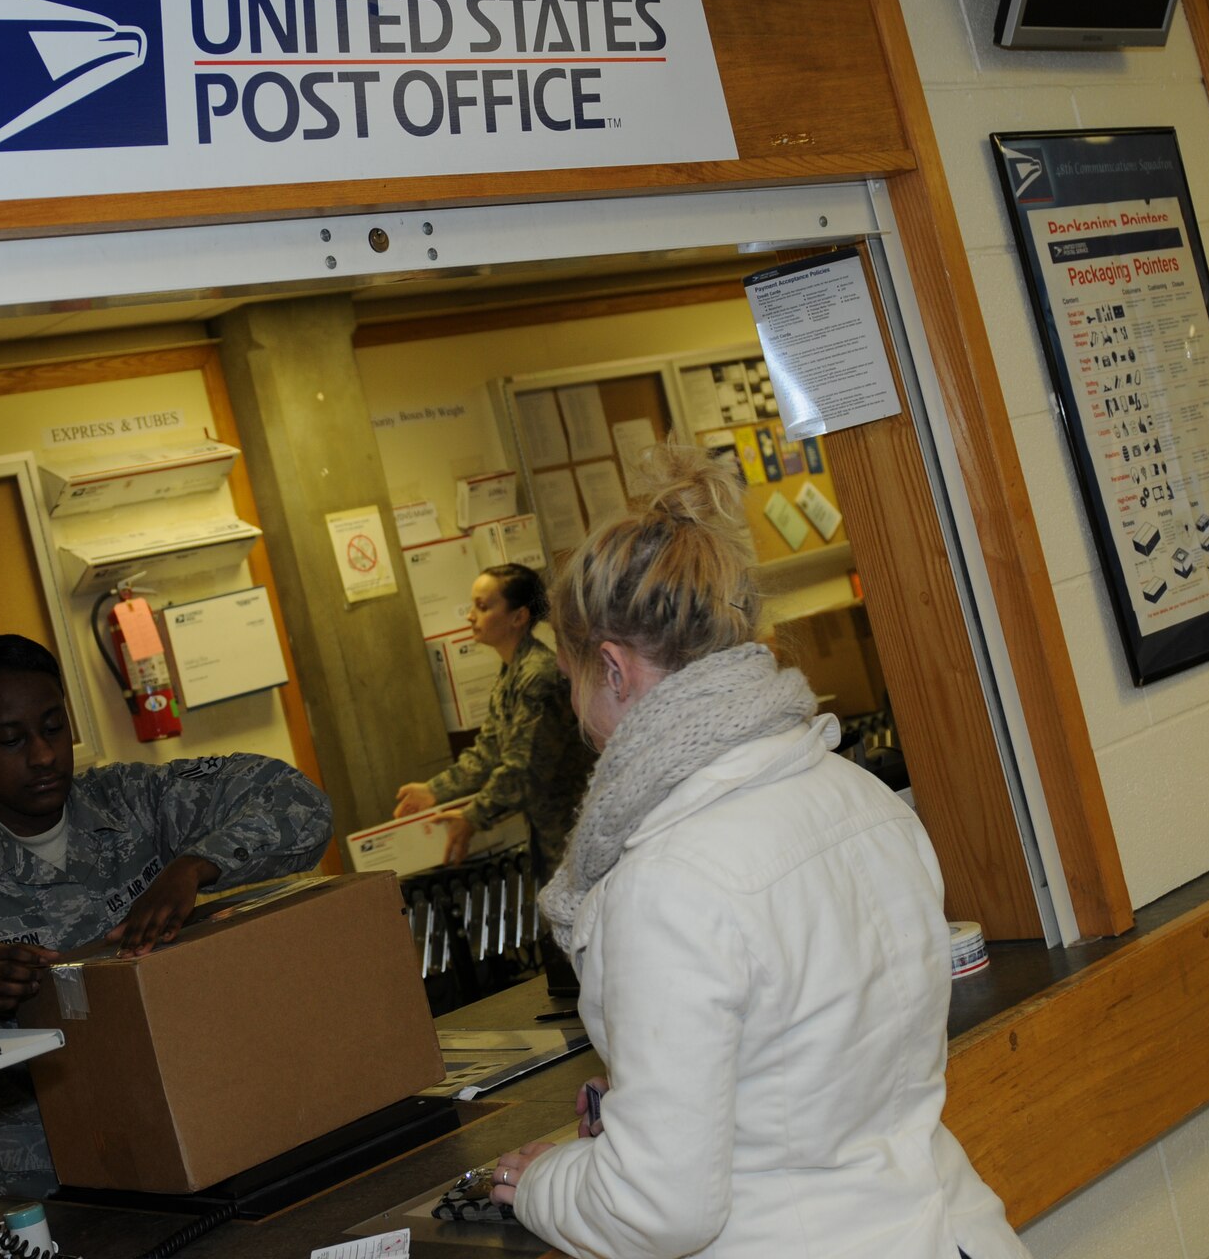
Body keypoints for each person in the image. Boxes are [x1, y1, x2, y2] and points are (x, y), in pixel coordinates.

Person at [487, 445, 1026, 1259]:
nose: (578, 710)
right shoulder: (865, 801)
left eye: (573, 681)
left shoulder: (663, 882)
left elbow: (657, 1207)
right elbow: (819, 1058)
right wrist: (651, 1104)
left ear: (613, 669)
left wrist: (540, 1183)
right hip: (953, 1231)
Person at [0, 633, 333, 1200]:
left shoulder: (135, 801)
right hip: (42, 1180)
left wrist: (196, 866)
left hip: (194, 1132)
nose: (43, 755)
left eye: (54, 728)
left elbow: (299, 800)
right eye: (11, 740)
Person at [392, 563, 594, 996]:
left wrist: (473, 817)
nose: (471, 615)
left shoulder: (538, 676)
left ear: (519, 616)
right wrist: (434, 790)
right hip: (549, 832)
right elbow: (489, 752)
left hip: (573, 831)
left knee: (586, 941)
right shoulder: (512, 673)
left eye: (483, 606)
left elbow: (521, 768)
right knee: (568, 946)